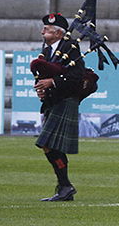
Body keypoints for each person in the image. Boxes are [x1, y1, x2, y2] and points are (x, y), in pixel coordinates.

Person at [34, 13, 85, 202]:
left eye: (46, 29)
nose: (42, 32)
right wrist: (41, 88)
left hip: (65, 100)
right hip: (52, 101)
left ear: (57, 33)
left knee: (46, 143)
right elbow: (43, 76)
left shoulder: (71, 49)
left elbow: (77, 75)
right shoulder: (47, 51)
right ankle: (65, 187)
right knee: (49, 145)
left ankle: (65, 186)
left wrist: (53, 82)